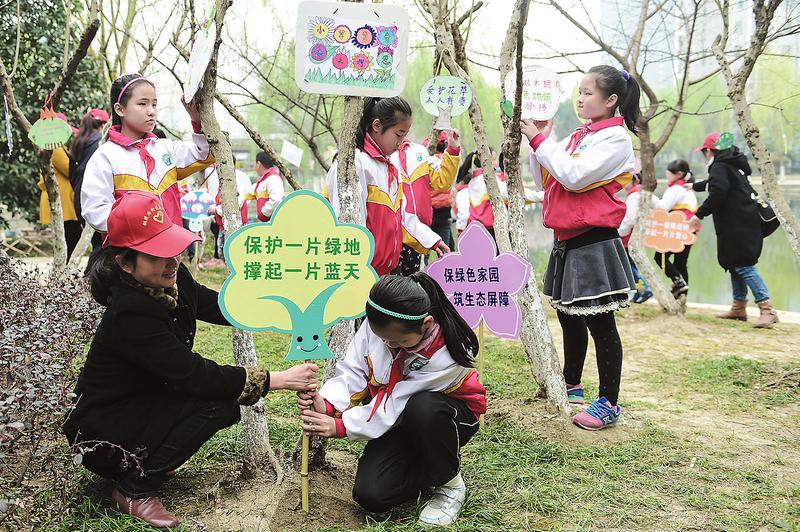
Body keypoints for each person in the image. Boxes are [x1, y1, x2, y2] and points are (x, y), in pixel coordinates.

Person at [62, 191, 317, 529]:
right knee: (217, 403)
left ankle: (148, 459)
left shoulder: (171, 277)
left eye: (173, 248)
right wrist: (278, 380)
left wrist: (274, 310)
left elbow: (210, 303)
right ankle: (134, 487)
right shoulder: (129, 314)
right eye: (157, 254)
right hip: (102, 432)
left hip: (140, 400)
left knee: (219, 401)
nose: (172, 260)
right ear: (125, 263)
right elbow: (193, 374)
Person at [297, 273, 485, 526]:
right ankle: (429, 467)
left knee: (423, 408)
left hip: (445, 418)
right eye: (382, 338)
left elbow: (397, 401)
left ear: (426, 324)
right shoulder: (380, 324)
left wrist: (341, 426)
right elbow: (355, 369)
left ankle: (449, 483)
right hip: (398, 418)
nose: (388, 344)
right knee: (371, 495)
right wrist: (328, 404)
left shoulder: (447, 354)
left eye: (399, 341)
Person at [522, 65, 639, 430]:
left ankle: (609, 402)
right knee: (568, 315)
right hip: (567, 238)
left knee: (600, 322)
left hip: (593, 240)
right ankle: (571, 383)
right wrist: (540, 142)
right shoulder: (581, 135)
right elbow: (549, 177)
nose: (581, 99)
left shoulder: (616, 140)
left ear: (611, 99)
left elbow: (573, 176)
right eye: (580, 92)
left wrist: (540, 142)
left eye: (589, 93)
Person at [325, 97, 448, 276]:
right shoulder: (355, 164)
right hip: (361, 272)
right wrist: (357, 270)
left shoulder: (388, 166)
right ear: (376, 126)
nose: (401, 142)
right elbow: (349, 225)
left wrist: (433, 240)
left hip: (385, 271)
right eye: (398, 134)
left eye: (404, 136)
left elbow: (403, 214)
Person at [81, 73, 214, 235]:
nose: (151, 111)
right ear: (120, 109)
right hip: (130, 250)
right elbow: (95, 211)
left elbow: (206, 153)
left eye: (154, 104)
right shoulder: (105, 156)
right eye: (142, 104)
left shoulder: (166, 149)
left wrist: (197, 119)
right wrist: (140, 221)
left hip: (172, 247)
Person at [688, 132, 779, 328]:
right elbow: (717, 183)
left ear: (710, 151)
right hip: (743, 223)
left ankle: (767, 310)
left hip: (738, 226)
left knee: (744, 265)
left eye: (704, 152)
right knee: (735, 264)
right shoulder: (731, 165)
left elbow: (718, 191)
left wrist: (698, 214)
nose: (704, 155)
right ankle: (739, 308)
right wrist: (694, 186)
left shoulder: (719, 166)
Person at [392, 130, 460, 275]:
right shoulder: (382, 155)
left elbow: (442, 181)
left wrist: (453, 150)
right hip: (391, 236)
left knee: (411, 280)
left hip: (418, 234)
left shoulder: (419, 151)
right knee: (390, 284)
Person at [37, 112, 82, 260]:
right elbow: (69, 169)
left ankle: (66, 269)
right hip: (61, 200)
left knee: (71, 237)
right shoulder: (53, 146)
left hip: (63, 199)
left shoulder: (56, 145)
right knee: (71, 237)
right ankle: (65, 270)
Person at [651, 159, 697, 298]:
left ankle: (678, 282)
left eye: (669, 174)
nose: (667, 177)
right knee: (681, 263)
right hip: (690, 230)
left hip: (679, 229)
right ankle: (682, 295)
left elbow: (662, 207)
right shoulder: (686, 189)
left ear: (679, 174)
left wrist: (648, 196)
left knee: (659, 257)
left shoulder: (676, 189)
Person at [69, 108, 110, 259]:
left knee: (96, 243)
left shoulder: (77, 142)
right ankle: (95, 272)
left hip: (80, 197)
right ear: (103, 125)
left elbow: (71, 174)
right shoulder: (99, 142)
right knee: (102, 245)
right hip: (96, 196)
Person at [618, 172, 653, 303]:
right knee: (630, 265)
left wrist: (620, 232)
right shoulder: (639, 194)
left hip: (628, 237)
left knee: (629, 266)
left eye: (627, 180)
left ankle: (645, 289)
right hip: (634, 235)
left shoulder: (633, 196)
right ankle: (639, 291)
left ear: (635, 181)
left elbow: (630, 219)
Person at [428, 132, 456, 250]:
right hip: (444, 211)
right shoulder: (447, 161)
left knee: (424, 249)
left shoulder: (425, 161)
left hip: (428, 210)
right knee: (446, 250)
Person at [249, 151, 285, 222]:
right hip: (268, 222)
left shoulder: (273, 178)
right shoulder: (264, 181)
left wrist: (263, 213)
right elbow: (247, 193)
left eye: (255, 164)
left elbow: (277, 199)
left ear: (258, 164)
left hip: (273, 222)